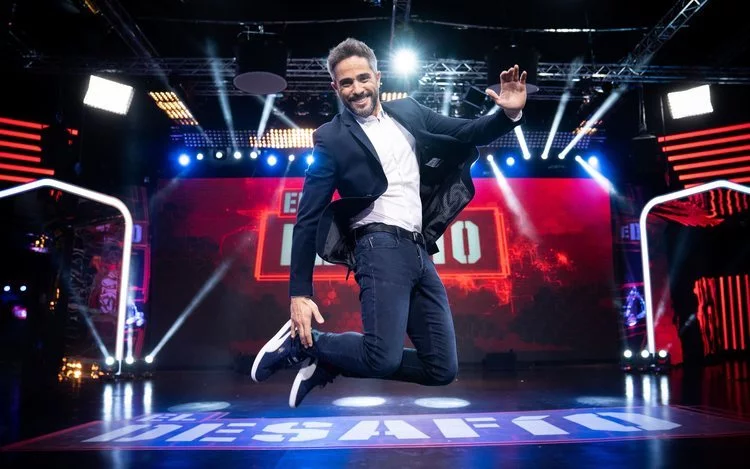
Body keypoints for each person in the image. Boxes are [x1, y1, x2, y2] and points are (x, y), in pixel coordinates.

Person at [252, 38, 527, 407]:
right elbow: (308, 218)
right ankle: (304, 344)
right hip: (377, 246)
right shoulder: (331, 137)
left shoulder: (410, 112)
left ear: (378, 78)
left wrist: (508, 115)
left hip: (419, 252)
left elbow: (467, 132)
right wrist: (299, 294)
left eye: (363, 78)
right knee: (381, 357)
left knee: (441, 368)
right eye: (346, 83)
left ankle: (327, 360)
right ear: (335, 87)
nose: (356, 89)